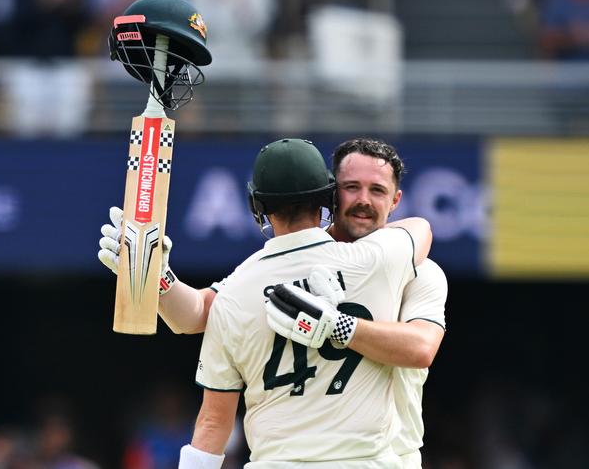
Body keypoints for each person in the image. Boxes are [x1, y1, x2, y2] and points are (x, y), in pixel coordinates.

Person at [98, 138, 447, 467]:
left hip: (393, 456)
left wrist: (338, 326)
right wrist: (157, 277)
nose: (364, 201)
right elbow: (200, 312)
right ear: (330, 194)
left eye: (377, 190)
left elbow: (420, 348)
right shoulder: (385, 257)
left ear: (396, 199)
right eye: (352, 187)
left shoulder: (413, 269)